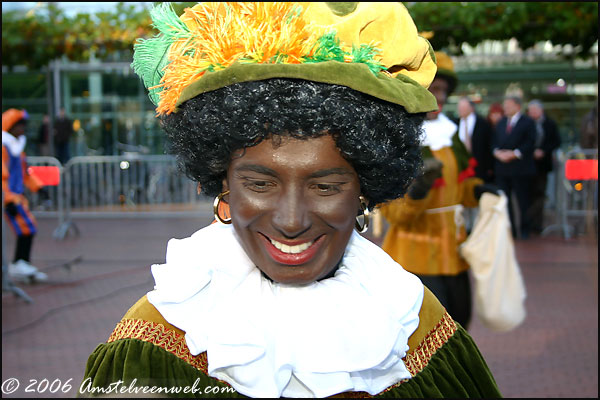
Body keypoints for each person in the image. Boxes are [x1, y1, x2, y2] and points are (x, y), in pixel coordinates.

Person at [80, 3, 500, 398]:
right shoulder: (162, 338)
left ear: (364, 192)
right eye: (260, 184)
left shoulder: (414, 322)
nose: (291, 220)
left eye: (325, 186)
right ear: (223, 185)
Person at [379, 51, 498, 331]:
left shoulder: (450, 133)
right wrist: (417, 193)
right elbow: (394, 213)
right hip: (415, 257)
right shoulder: (399, 141)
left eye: (443, 90)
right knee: (430, 339)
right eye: (433, 89)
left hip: (454, 253)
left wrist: (478, 192)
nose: (440, 97)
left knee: (461, 325)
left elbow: (462, 186)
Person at [2, 108, 48, 283]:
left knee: (29, 227)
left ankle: (22, 263)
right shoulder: (4, 148)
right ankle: (19, 264)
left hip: (17, 196)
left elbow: (25, 174)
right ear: (11, 127)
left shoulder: (17, 148)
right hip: (10, 197)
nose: (23, 129)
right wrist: (7, 201)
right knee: (26, 227)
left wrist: (39, 188)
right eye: (20, 125)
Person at [492, 95, 536, 239]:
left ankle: (524, 229)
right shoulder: (501, 122)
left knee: (523, 201)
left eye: (509, 105)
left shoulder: (528, 122)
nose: (506, 108)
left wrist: (515, 153)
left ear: (518, 106)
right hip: (503, 169)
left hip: (520, 168)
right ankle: (510, 229)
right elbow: (494, 141)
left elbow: (530, 142)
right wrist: (497, 153)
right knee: (505, 200)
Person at [526, 99, 562, 235]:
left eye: (536, 110)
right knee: (528, 193)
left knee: (540, 193)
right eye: (531, 110)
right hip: (527, 164)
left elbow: (556, 141)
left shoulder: (549, 124)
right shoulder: (526, 123)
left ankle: (537, 223)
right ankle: (527, 222)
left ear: (541, 110)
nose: (533, 113)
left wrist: (544, 151)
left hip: (543, 165)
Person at [457, 96, 495, 183]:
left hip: (480, 167)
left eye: (463, 107)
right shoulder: (455, 123)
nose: (460, 110)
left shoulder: (483, 123)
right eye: (459, 107)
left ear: (471, 108)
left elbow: (489, 145)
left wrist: (489, 167)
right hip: (461, 166)